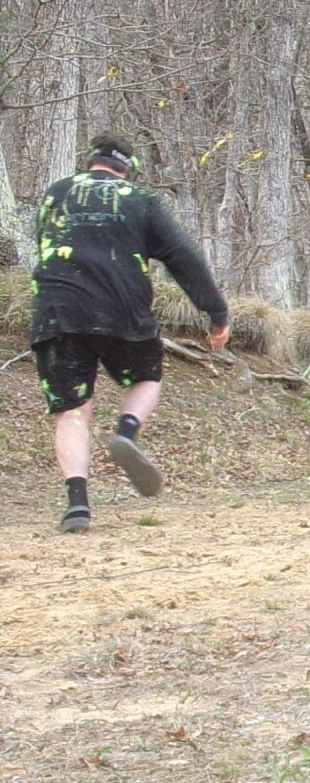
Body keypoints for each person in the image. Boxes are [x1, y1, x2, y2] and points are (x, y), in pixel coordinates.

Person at [30, 131, 231, 532]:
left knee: (72, 411)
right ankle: (126, 431)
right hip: (121, 310)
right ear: (127, 168)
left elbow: (45, 245)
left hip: (56, 312)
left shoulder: (56, 193)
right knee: (146, 376)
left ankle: (77, 503)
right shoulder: (139, 199)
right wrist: (216, 311)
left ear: (91, 160)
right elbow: (183, 256)